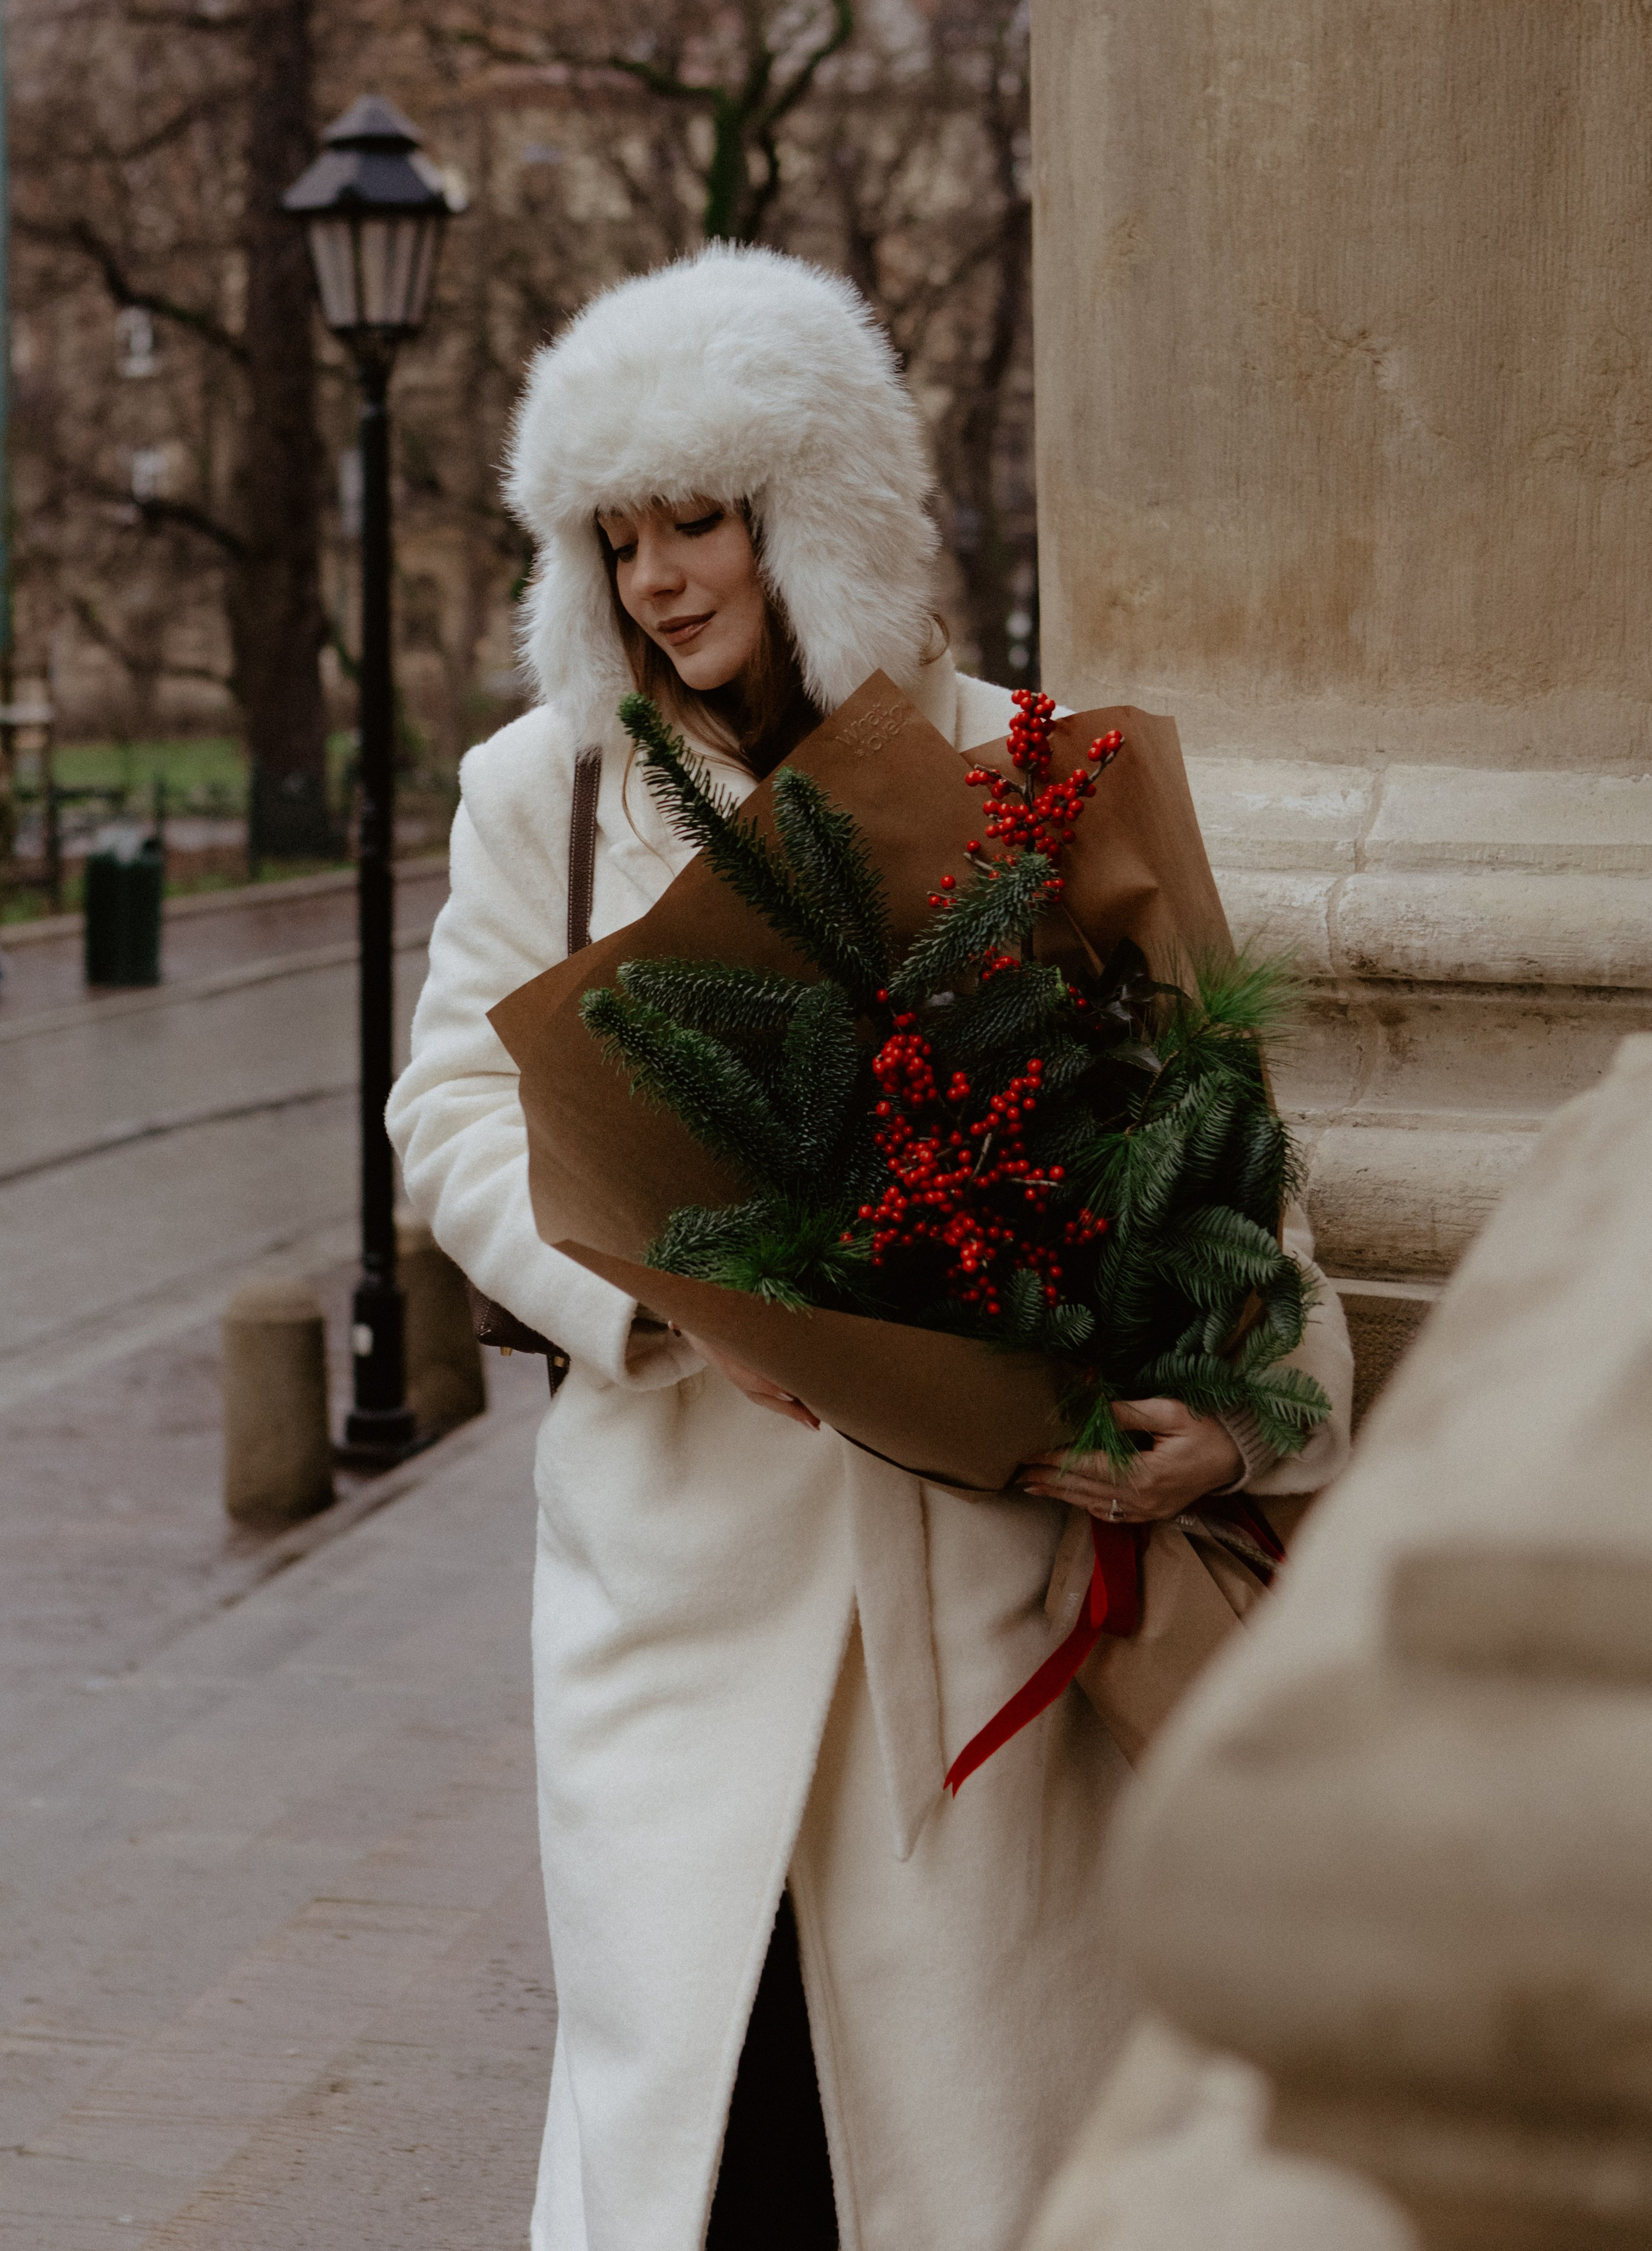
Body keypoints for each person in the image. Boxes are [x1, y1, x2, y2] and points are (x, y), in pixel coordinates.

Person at [387, 245, 1353, 2251]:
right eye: (619, 535)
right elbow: (451, 1109)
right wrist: (659, 1302)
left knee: (958, 2153)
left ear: (807, 507)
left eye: (701, 518)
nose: (661, 578)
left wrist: (1246, 1426)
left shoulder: (1033, 765)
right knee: (698, 2150)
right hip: (675, 1582)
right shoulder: (540, 796)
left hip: (983, 1592)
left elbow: (1217, 1135)